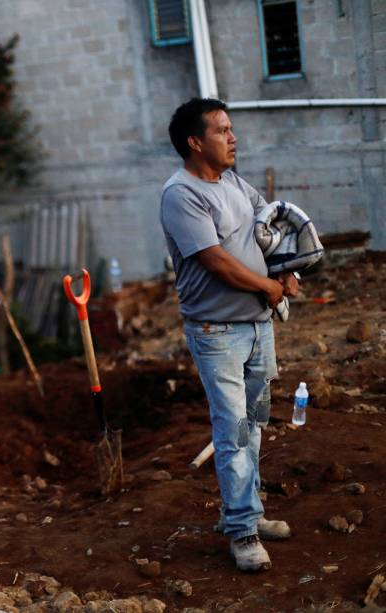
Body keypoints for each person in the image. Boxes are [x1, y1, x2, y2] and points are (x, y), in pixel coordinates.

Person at [160, 98, 299, 572]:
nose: (233, 137)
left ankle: (245, 513)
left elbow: (270, 229)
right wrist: (269, 286)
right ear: (195, 142)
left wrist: (287, 271)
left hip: (259, 327)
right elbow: (215, 260)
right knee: (234, 432)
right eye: (222, 130)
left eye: (231, 128)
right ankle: (241, 533)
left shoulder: (235, 183)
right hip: (217, 332)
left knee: (254, 425)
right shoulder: (181, 194)